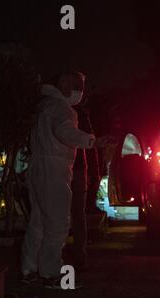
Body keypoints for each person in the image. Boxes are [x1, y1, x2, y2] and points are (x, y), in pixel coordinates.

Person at [20, 72, 112, 288]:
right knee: (58, 223)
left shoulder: (44, 106)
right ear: (70, 88)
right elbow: (64, 132)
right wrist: (92, 141)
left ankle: (28, 269)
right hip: (54, 170)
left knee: (38, 222)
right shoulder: (63, 109)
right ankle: (50, 273)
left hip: (37, 167)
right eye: (80, 87)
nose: (82, 92)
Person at [70, 95, 101, 270]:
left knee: (71, 214)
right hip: (77, 168)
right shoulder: (80, 114)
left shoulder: (52, 109)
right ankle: (79, 256)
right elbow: (90, 144)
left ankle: (75, 256)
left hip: (72, 168)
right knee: (77, 214)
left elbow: (90, 145)